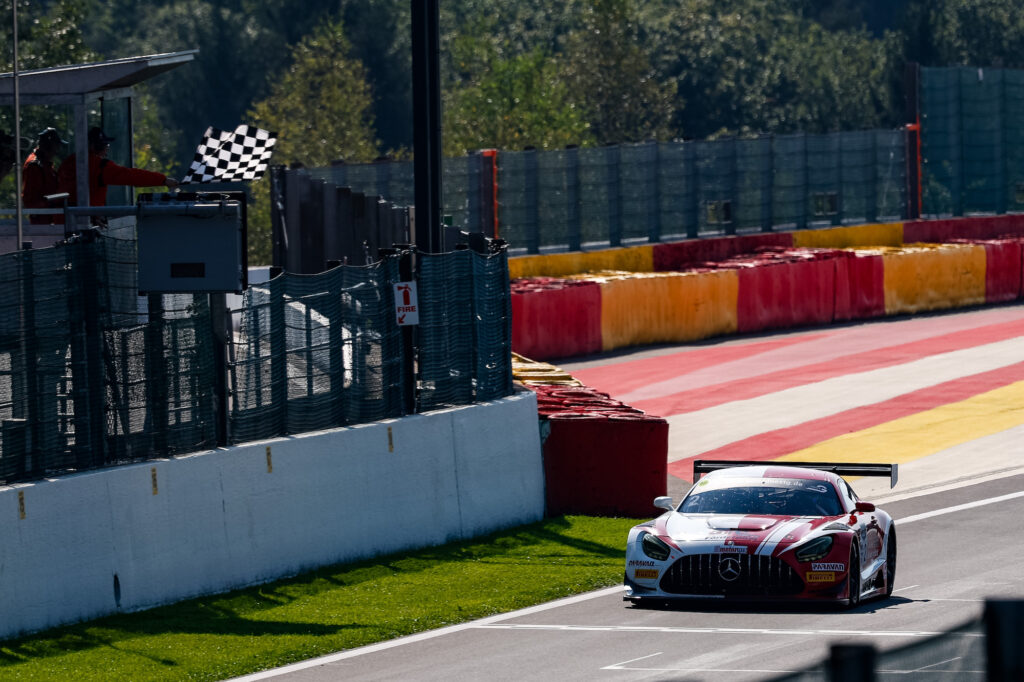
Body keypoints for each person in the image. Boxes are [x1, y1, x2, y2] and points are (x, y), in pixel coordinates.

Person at [57, 126, 179, 207]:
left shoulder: (68, 162)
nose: (106, 151)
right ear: (94, 146)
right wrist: (163, 180)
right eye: (104, 146)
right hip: (82, 224)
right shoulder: (99, 166)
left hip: (59, 221)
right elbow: (131, 176)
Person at [21, 127, 66, 224]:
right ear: (48, 147)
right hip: (42, 222)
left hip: (50, 219)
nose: (57, 151)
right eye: (56, 146)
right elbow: (30, 201)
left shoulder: (45, 164)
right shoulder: (35, 166)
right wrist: (52, 202)